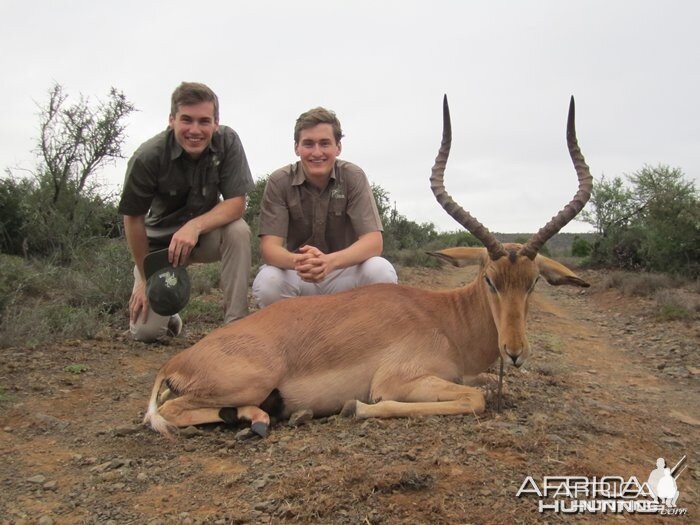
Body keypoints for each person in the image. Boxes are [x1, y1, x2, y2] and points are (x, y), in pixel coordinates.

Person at [118, 82, 254, 342]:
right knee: (146, 334)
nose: (195, 130)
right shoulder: (147, 156)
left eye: (204, 121)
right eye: (186, 120)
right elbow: (133, 219)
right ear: (172, 120)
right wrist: (145, 278)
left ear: (216, 123)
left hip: (203, 238)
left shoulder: (228, 141)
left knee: (238, 230)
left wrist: (194, 227)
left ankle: (236, 327)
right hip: (160, 248)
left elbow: (236, 202)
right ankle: (169, 315)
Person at [252, 106, 397, 307]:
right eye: (308, 144)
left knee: (381, 271)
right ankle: (293, 336)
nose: (317, 152)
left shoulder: (353, 177)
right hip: (300, 272)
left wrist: (330, 262)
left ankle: (362, 335)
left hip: (343, 272)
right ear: (297, 147)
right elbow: (269, 249)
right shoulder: (280, 181)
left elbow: (373, 242)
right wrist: (301, 263)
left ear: (338, 147)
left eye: (325, 143)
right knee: (269, 282)